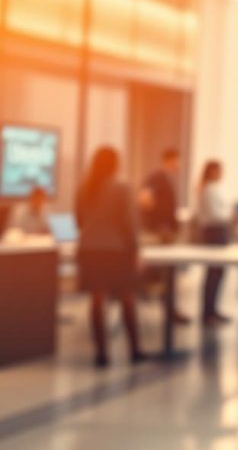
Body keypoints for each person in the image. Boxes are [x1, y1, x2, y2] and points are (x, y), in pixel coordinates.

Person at [76, 147, 150, 367]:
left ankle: (101, 353)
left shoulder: (85, 188)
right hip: (118, 250)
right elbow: (129, 223)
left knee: (97, 301)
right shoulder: (123, 187)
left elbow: (79, 219)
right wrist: (136, 249)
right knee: (128, 298)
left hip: (90, 249)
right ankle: (134, 350)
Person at [139, 148, 189, 324]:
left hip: (165, 233)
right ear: (169, 160)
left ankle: (170, 310)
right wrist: (158, 225)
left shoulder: (166, 178)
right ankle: (168, 310)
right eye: (177, 161)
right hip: (159, 234)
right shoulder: (157, 177)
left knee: (170, 273)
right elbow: (144, 199)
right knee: (166, 273)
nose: (179, 165)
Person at [195, 160, 231, 326]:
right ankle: (208, 313)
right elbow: (215, 215)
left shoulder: (211, 189)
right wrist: (230, 217)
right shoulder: (209, 190)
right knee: (213, 274)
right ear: (212, 172)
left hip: (216, 232)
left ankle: (212, 310)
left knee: (216, 274)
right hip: (214, 232)